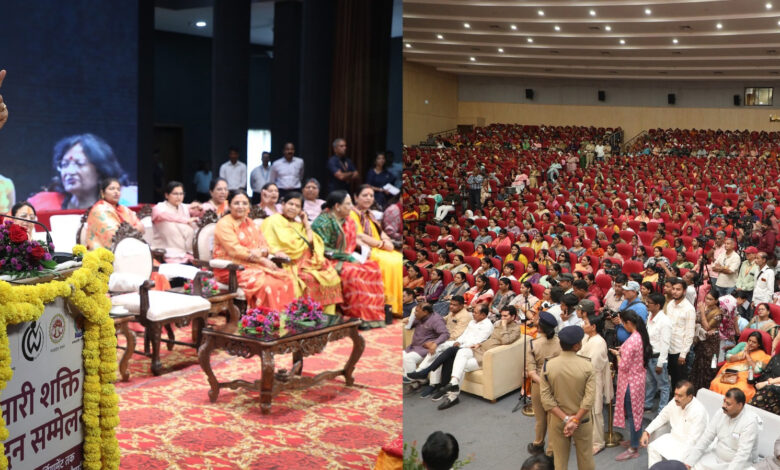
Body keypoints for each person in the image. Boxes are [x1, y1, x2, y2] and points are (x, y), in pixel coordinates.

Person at [312, 190, 386, 327]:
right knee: (353, 272)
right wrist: (348, 258)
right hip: (328, 259)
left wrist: (358, 252)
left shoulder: (348, 221)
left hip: (347, 257)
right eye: (348, 204)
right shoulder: (322, 223)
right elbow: (322, 249)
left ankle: (372, 317)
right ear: (337, 206)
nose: (351, 207)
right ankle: (356, 317)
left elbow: (351, 244)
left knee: (373, 267)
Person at [212, 190, 296, 309]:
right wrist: (261, 260)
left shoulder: (251, 223)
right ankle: (263, 317)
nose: (241, 206)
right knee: (268, 284)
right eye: (236, 203)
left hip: (254, 265)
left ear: (249, 206)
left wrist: (261, 252)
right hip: (231, 269)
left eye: (244, 203)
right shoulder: (224, 224)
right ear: (229, 206)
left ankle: (285, 316)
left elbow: (266, 246)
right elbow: (235, 250)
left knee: (286, 278)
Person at [262, 192, 343, 314]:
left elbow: (310, 240)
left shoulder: (298, 224)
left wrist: (305, 222)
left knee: (332, 277)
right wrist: (276, 252)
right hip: (290, 263)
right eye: (290, 204)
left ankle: (325, 317)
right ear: (283, 204)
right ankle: (303, 316)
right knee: (309, 279)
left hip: (307, 262)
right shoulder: (272, 221)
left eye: (297, 206)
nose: (293, 208)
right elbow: (266, 242)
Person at [435, 305, 523, 410]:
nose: (502, 318)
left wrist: (504, 326)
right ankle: (453, 383)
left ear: (513, 317)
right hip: (480, 349)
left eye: (506, 316)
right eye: (502, 316)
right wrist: (480, 344)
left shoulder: (516, 329)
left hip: (488, 355)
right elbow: (491, 338)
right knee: (462, 352)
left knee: (462, 365)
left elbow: (506, 341)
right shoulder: (497, 324)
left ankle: (452, 397)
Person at [540, 325, 596, 470]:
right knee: (586, 459)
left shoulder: (548, 366)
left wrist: (566, 419)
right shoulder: (587, 366)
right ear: (576, 346)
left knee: (560, 461)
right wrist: (575, 419)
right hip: (582, 420)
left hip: (558, 420)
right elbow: (589, 400)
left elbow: (546, 400)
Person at [29, 133, 132, 211]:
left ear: (100, 171)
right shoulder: (40, 204)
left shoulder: (122, 208)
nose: (70, 171)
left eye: (79, 164)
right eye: (64, 164)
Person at [350, 185, 403, 314]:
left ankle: (399, 305)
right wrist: (381, 244)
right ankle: (388, 305)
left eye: (371, 196)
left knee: (400, 258)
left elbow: (380, 232)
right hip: (363, 249)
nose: (369, 198)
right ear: (356, 197)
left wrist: (387, 241)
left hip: (378, 247)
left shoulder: (370, 214)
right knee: (392, 263)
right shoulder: (352, 213)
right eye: (365, 195)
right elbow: (359, 236)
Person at [610, 309, 652, 461]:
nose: (623, 326)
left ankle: (634, 447)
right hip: (638, 380)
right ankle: (636, 439)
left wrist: (618, 355)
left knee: (633, 414)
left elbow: (623, 366)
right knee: (637, 413)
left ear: (628, 323)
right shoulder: (640, 336)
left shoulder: (633, 340)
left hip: (630, 383)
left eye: (623, 323)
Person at [684, 388, 760, 470]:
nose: (723, 406)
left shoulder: (750, 422)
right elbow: (706, 438)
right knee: (694, 465)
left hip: (738, 464)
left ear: (739, 405)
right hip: (716, 457)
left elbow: (742, 454)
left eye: (728, 404)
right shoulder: (721, 413)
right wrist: (689, 462)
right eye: (724, 401)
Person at [640, 380, 709, 467]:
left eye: (680, 396)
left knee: (676, 464)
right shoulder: (674, 401)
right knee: (653, 447)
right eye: (675, 394)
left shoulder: (699, 412)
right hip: (674, 438)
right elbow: (662, 417)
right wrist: (647, 431)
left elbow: (693, 441)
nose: (676, 398)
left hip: (690, 446)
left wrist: (683, 462)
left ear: (690, 397)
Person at [526, 312, 561, 458]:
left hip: (539, 385)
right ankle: (551, 451)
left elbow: (531, 372)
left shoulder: (533, 344)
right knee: (553, 419)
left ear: (539, 327)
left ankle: (538, 443)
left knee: (540, 418)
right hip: (557, 385)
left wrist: (544, 384)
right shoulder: (561, 342)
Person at [578, 313, 612, 455]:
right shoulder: (586, 337)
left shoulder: (599, 342)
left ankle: (598, 442)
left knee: (595, 411)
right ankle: (585, 436)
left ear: (593, 327)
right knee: (584, 409)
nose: (583, 325)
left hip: (593, 378)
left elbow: (593, 364)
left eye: (586, 323)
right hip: (582, 376)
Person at [710, 331, 771, 403]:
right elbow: (728, 357)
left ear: (759, 344)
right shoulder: (742, 345)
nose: (750, 343)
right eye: (749, 340)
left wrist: (748, 356)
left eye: (754, 342)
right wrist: (740, 356)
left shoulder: (762, 354)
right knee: (715, 383)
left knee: (742, 390)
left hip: (745, 375)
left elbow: (757, 370)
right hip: (731, 371)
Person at [84, 178, 145, 250]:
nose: (116, 192)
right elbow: (114, 234)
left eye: (118, 189)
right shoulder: (99, 210)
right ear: (102, 193)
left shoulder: (124, 209)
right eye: (112, 189)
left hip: (129, 247)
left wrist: (129, 231)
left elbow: (141, 227)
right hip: (106, 252)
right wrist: (133, 230)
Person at [151, 181, 198, 263]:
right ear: (166, 195)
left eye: (181, 194)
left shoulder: (184, 207)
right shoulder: (159, 208)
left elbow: (199, 210)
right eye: (175, 194)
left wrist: (199, 207)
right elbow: (164, 215)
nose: (179, 197)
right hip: (165, 254)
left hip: (187, 254)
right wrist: (185, 220)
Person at [403, 304, 449, 380]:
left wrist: (435, 343)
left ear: (425, 312)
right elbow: (411, 325)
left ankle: (411, 379)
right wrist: (408, 322)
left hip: (425, 348)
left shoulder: (436, 320)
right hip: (414, 346)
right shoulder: (419, 317)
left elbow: (445, 334)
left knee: (408, 358)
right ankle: (408, 377)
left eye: (417, 311)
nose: (414, 313)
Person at [666, 278, 696, 390]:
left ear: (684, 291)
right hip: (668, 346)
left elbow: (690, 333)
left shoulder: (689, 309)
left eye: (678, 289)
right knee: (669, 377)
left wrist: (683, 354)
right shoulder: (670, 304)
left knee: (679, 380)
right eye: (673, 289)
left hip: (679, 350)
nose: (674, 292)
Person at [645, 292, 673, 412]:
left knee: (663, 386)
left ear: (657, 305)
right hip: (649, 356)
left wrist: (661, 363)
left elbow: (665, 344)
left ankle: (662, 410)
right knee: (650, 383)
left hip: (657, 358)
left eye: (649, 303)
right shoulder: (650, 316)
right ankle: (647, 404)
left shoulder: (665, 321)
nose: (647, 304)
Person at [691, 291, 723, 391]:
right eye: (706, 298)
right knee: (698, 363)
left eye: (710, 299)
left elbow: (707, 327)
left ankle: (707, 388)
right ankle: (696, 388)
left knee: (708, 364)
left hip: (711, 341)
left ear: (716, 301)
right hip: (701, 338)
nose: (707, 301)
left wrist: (702, 312)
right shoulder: (704, 308)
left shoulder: (718, 313)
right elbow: (695, 320)